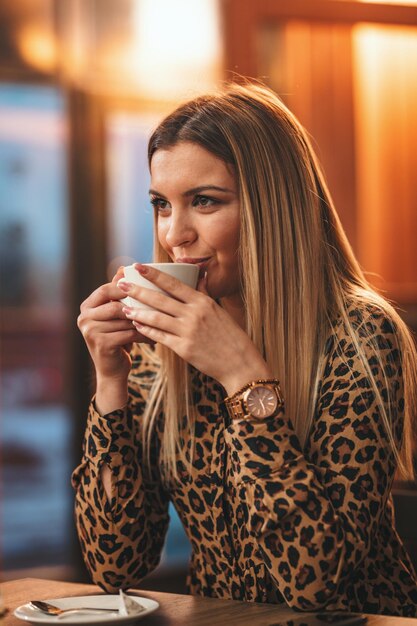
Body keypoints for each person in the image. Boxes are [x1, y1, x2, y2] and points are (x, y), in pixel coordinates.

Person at [73, 82, 417, 617]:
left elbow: (315, 584)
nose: (174, 235)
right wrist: (111, 382)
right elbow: (115, 563)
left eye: (204, 202)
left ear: (271, 207)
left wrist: (243, 380)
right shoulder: (161, 347)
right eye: (162, 205)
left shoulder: (362, 337)